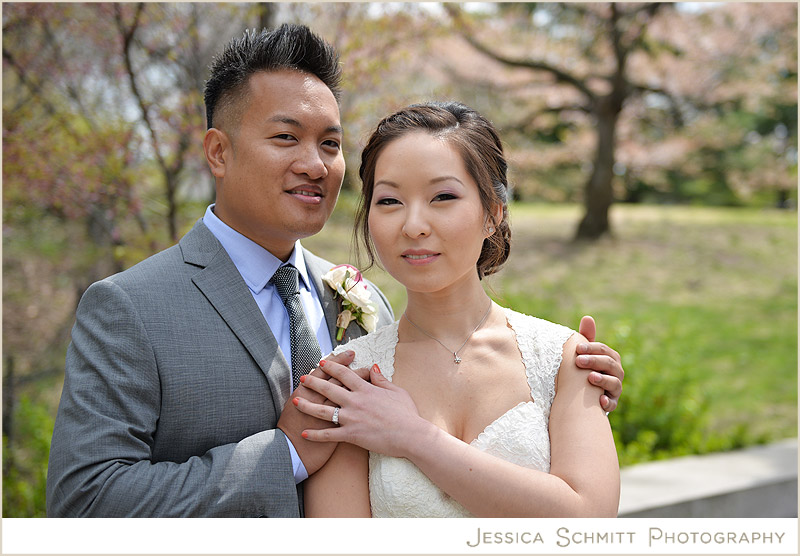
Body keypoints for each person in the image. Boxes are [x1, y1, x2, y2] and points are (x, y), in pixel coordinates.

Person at [46, 25, 622, 518]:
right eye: (285, 137)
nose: (314, 165)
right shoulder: (130, 306)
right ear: (218, 152)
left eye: (329, 143)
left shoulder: (361, 299)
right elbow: (83, 501)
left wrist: (561, 386)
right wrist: (286, 454)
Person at [294, 101, 620, 517]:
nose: (413, 226)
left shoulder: (564, 359)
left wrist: (413, 436)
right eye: (390, 201)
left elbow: (590, 521)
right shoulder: (350, 381)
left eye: (443, 196)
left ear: (493, 213)